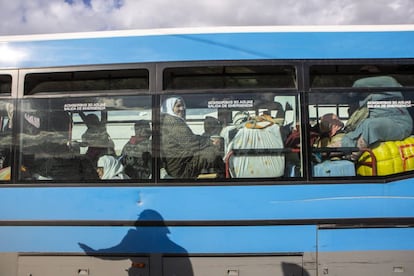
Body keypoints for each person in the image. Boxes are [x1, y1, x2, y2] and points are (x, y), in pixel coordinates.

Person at [332, 76, 413, 149]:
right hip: (376, 124)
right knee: (349, 136)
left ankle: (353, 153)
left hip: (399, 123)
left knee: (370, 125)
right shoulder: (367, 99)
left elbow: (358, 84)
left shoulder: (388, 81)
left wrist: (348, 95)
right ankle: (332, 150)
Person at [160, 96, 223, 178]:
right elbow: (193, 143)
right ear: (170, 107)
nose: (182, 108)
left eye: (183, 106)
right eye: (178, 106)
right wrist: (212, 142)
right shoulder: (173, 122)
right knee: (214, 153)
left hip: (178, 164)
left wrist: (207, 140)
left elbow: (189, 138)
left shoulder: (167, 120)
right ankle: (229, 180)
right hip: (181, 168)